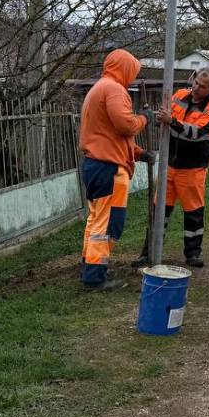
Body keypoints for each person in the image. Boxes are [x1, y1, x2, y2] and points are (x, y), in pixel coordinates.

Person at [79, 49, 153, 291]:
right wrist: (143, 118)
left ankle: (90, 265)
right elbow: (124, 126)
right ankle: (95, 277)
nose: (133, 77)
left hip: (96, 165)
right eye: (132, 71)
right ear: (125, 68)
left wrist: (139, 154)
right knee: (109, 223)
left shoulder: (99, 88)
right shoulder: (114, 89)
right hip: (108, 169)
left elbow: (110, 136)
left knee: (96, 220)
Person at [141, 67, 209, 268]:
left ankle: (193, 254)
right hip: (169, 163)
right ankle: (148, 253)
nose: (195, 87)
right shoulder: (178, 96)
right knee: (159, 209)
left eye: (202, 86)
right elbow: (165, 118)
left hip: (193, 168)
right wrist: (158, 118)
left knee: (193, 212)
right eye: (195, 82)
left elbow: (197, 133)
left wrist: (172, 122)